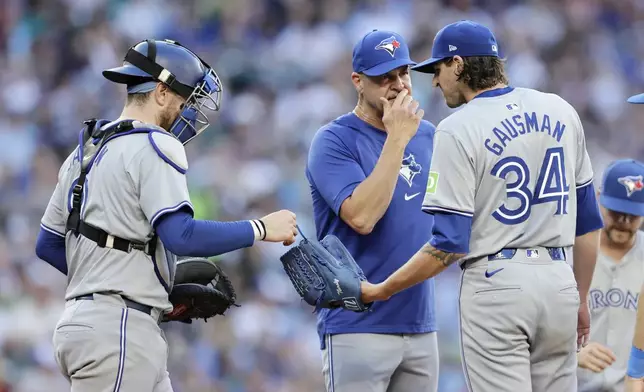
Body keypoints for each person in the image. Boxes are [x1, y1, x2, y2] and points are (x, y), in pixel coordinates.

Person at [34, 39, 297, 391]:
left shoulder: (86, 151)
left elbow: (48, 244)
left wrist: (129, 281)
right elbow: (180, 235)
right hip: (119, 331)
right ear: (161, 92)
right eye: (185, 99)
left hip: (92, 325)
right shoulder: (155, 142)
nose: (188, 111)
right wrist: (260, 228)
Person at [360, 20, 605, 391]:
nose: (435, 82)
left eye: (439, 69)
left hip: (498, 284)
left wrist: (384, 288)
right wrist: (580, 297)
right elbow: (587, 224)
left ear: (458, 65)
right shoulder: (560, 109)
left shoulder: (458, 127)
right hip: (559, 282)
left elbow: (448, 244)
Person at [305, 29, 439, 391]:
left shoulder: (427, 135)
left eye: (403, 74)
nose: (397, 85)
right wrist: (397, 138)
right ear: (358, 82)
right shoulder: (333, 140)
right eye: (384, 78)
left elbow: (443, 213)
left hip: (420, 321)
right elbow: (362, 218)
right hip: (357, 323)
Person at [575, 158, 644, 392]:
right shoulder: (570, 252)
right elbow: (539, 326)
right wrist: (569, 355)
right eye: (616, 213)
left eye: (633, 215)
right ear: (598, 198)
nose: (624, 223)